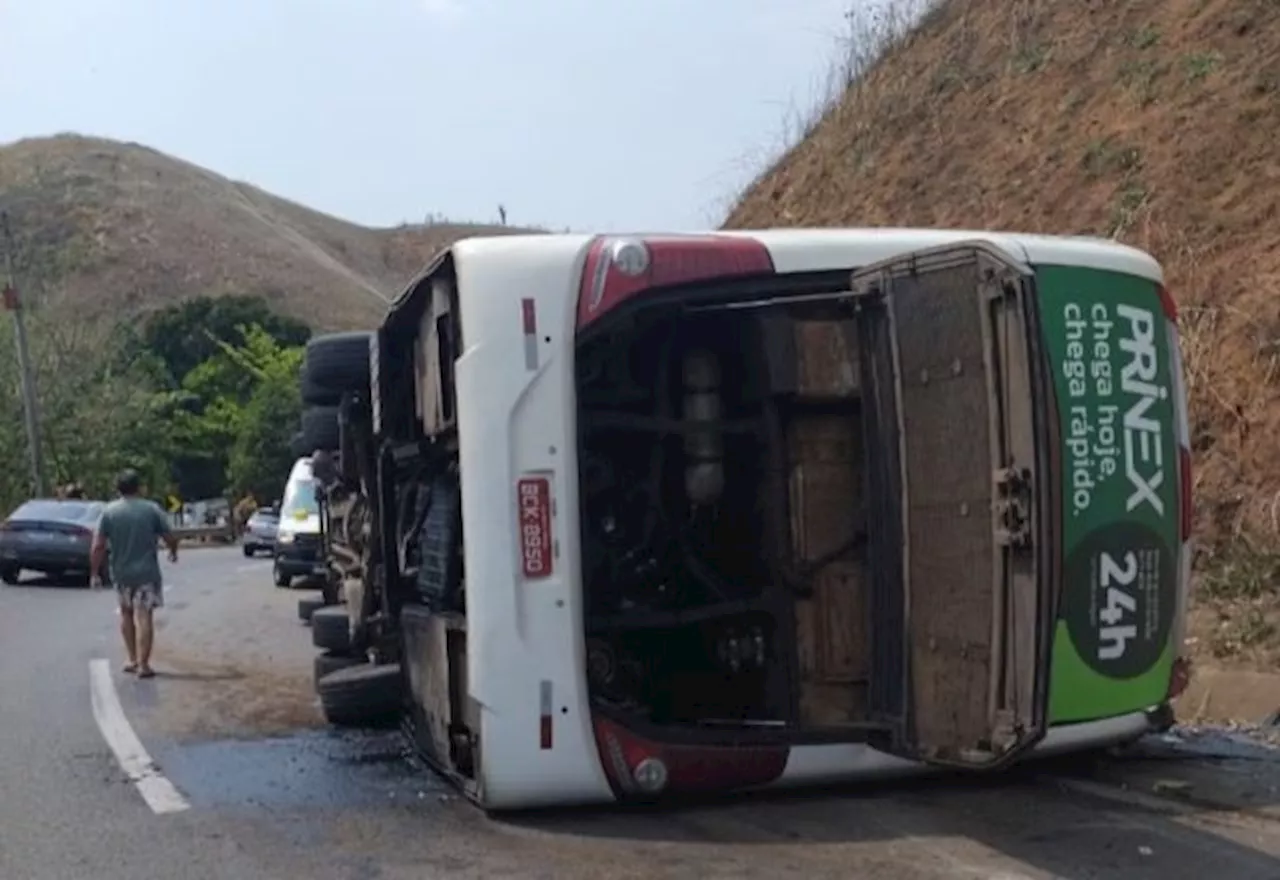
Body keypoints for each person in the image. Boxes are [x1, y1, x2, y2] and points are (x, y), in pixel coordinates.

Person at [90, 469, 180, 678]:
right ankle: (144, 664)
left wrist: (94, 572)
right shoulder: (151, 510)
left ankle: (131, 658)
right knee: (144, 615)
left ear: (117, 489)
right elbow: (169, 536)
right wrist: (173, 552)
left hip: (121, 573)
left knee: (126, 613)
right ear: (139, 487)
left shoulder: (109, 512)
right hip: (147, 573)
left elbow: (98, 545)